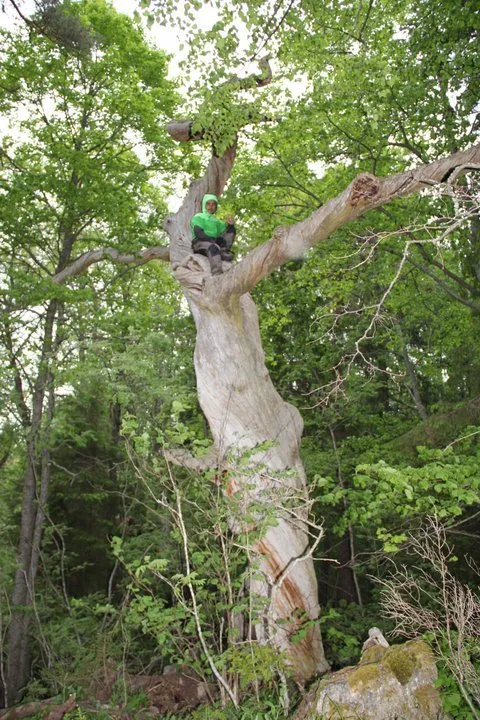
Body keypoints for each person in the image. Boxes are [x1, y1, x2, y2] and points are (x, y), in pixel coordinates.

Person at [191, 193, 236, 275]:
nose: (210, 206)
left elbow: (224, 232)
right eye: (208, 204)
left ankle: (224, 251)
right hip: (199, 243)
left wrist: (230, 225)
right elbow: (198, 233)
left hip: (213, 242)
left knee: (231, 229)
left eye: (213, 204)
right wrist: (213, 243)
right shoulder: (199, 216)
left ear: (216, 206)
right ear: (204, 205)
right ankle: (217, 274)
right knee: (213, 248)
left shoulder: (216, 221)